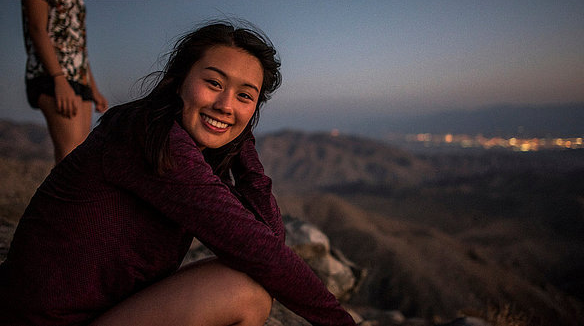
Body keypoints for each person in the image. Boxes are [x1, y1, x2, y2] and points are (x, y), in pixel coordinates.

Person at [0, 21, 357, 326]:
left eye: (245, 96)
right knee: (245, 291)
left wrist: (241, 137)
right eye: (214, 83)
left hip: (96, 313)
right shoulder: (148, 137)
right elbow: (259, 249)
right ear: (177, 80)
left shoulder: (186, 145)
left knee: (250, 287)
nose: (226, 103)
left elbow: (269, 236)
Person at [17, 0, 108, 164]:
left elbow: (78, 42)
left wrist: (93, 87)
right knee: (69, 157)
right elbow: (38, 30)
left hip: (78, 78)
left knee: (80, 156)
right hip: (52, 74)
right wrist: (59, 80)